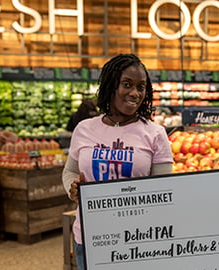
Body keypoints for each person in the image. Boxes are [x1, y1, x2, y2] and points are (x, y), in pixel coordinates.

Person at [62, 53, 174, 270]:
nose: (135, 93)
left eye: (141, 87)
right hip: (90, 237)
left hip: (138, 239)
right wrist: (72, 188)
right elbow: (69, 171)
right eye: (127, 84)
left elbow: (165, 190)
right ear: (111, 85)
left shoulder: (155, 133)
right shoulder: (84, 129)